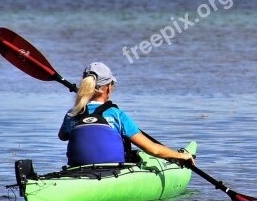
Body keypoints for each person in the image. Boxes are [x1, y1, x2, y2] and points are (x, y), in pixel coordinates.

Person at [58, 62, 194, 167]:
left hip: (78, 170)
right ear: (109, 87)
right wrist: (181, 156)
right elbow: (153, 150)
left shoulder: (72, 113)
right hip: (112, 172)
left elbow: (63, 136)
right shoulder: (117, 115)